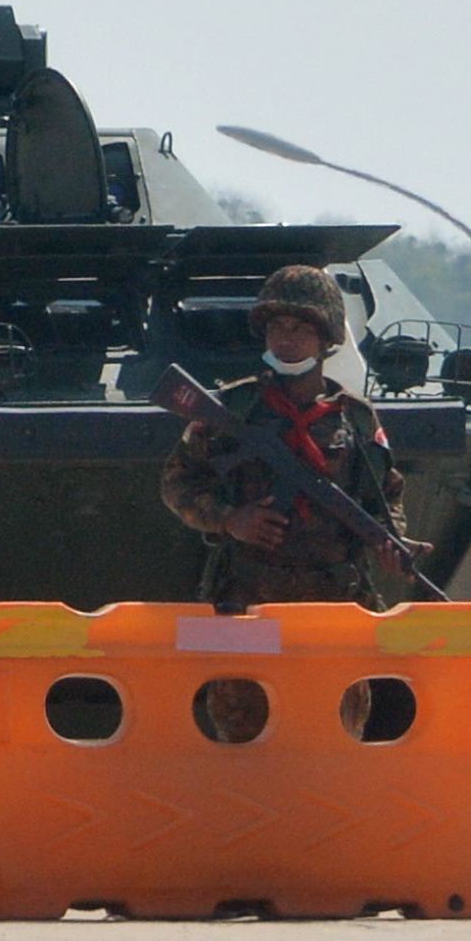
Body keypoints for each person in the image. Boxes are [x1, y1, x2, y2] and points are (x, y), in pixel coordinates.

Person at [158, 264, 410, 741]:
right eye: (277, 327)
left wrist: (391, 540)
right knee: (244, 738)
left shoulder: (354, 417)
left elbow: (387, 492)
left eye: (299, 328)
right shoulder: (234, 409)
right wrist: (231, 519)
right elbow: (178, 483)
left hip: (334, 604)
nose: (286, 339)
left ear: (327, 338)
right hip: (250, 600)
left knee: (336, 735)